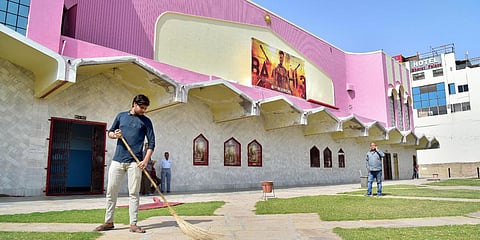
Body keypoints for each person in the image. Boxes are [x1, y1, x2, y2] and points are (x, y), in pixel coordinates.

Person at [94, 94, 155, 234]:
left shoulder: (146, 122)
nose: (143, 110)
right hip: (117, 160)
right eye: (142, 107)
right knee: (111, 192)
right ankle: (109, 222)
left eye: (145, 108)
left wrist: (145, 161)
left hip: (135, 162)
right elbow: (109, 132)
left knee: (134, 193)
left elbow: (152, 143)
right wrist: (115, 135)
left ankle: (133, 224)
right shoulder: (121, 116)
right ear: (134, 104)